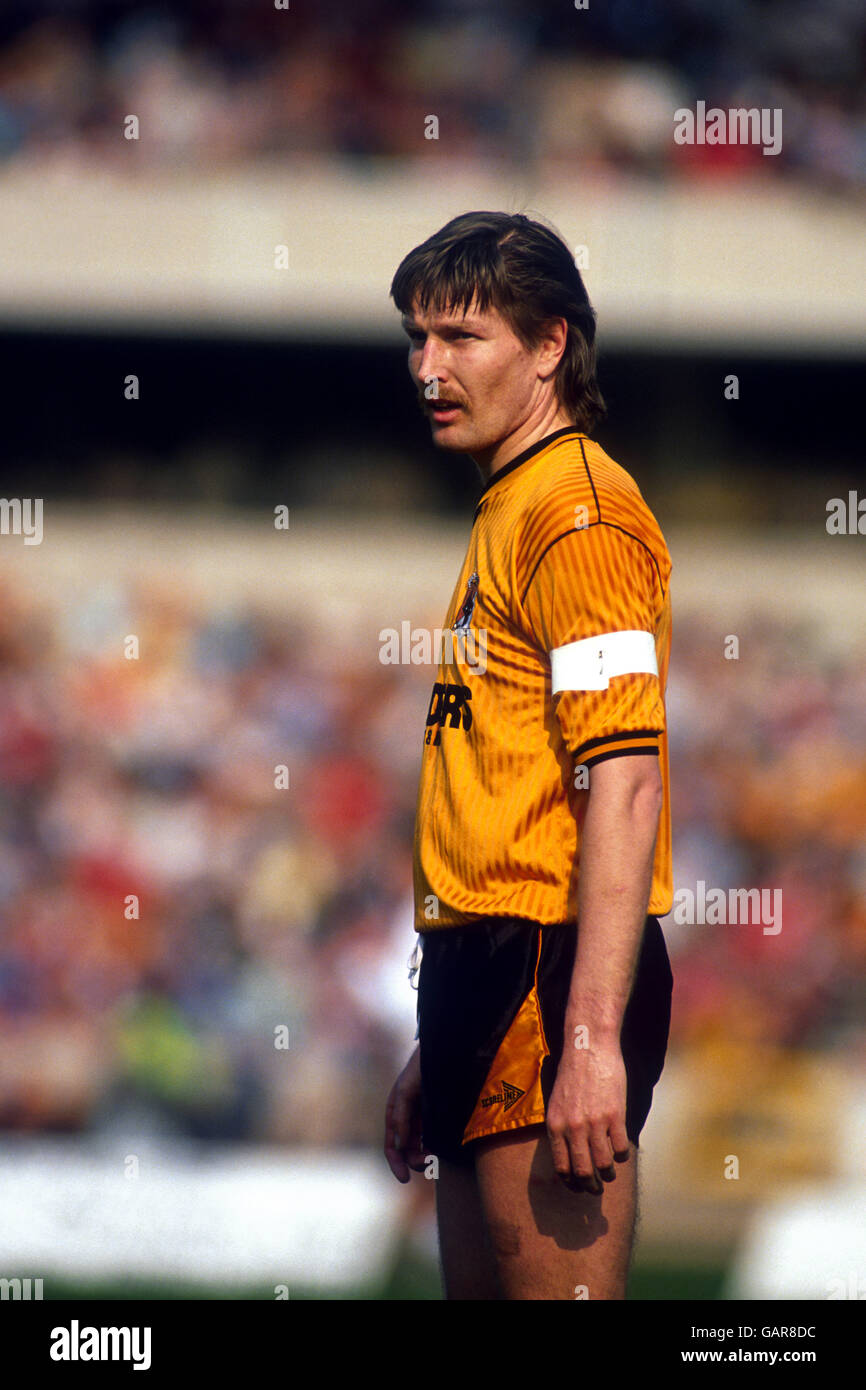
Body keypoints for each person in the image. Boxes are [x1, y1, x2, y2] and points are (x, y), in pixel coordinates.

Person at [383, 211, 674, 1300]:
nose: (427, 369)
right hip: (480, 975)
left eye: (460, 337)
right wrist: (436, 1037)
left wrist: (587, 1036)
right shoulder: (506, 502)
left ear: (548, 344)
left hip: (548, 975)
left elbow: (626, 780)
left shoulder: (577, 513)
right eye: (416, 339)